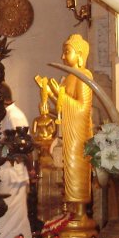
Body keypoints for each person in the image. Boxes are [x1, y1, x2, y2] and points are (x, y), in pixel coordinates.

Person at [36, 34, 94, 227]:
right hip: (68, 133)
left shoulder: (84, 76)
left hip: (78, 134)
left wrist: (60, 94)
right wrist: (52, 92)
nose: (62, 56)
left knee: (76, 169)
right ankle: (70, 210)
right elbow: (62, 108)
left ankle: (80, 212)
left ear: (79, 54)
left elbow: (82, 109)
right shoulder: (69, 78)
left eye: (66, 52)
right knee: (67, 170)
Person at [0, 154, 36, 238]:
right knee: (7, 211)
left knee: (18, 212)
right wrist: (30, 167)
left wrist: (29, 167)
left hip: (15, 169)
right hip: (9, 169)